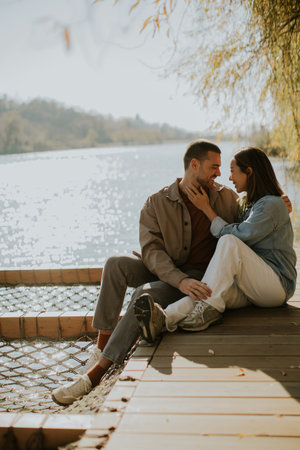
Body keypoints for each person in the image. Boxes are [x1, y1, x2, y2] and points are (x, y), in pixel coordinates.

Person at [51, 141, 291, 405]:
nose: (219, 174)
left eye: (223, 168)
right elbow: (152, 252)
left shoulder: (226, 198)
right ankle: (100, 349)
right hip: (170, 272)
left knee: (145, 293)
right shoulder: (157, 202)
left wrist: (280, 203)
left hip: (199, 276)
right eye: (214, 167)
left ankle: (96, 374)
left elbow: (254, 213)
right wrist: (180, 279)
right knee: (114, 264)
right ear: (194, 165)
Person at [134, 146, 297, 342]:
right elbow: (242, 213)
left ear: (250, 172)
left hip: (276, 286)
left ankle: (207, 312)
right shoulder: (251, 204)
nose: (228, 178)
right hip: (253, 286)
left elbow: (239, 235)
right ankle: (163, 319)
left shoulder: (271, 204)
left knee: (229, 241)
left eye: (232, 171)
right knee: (207, 292)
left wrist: (206, 209)